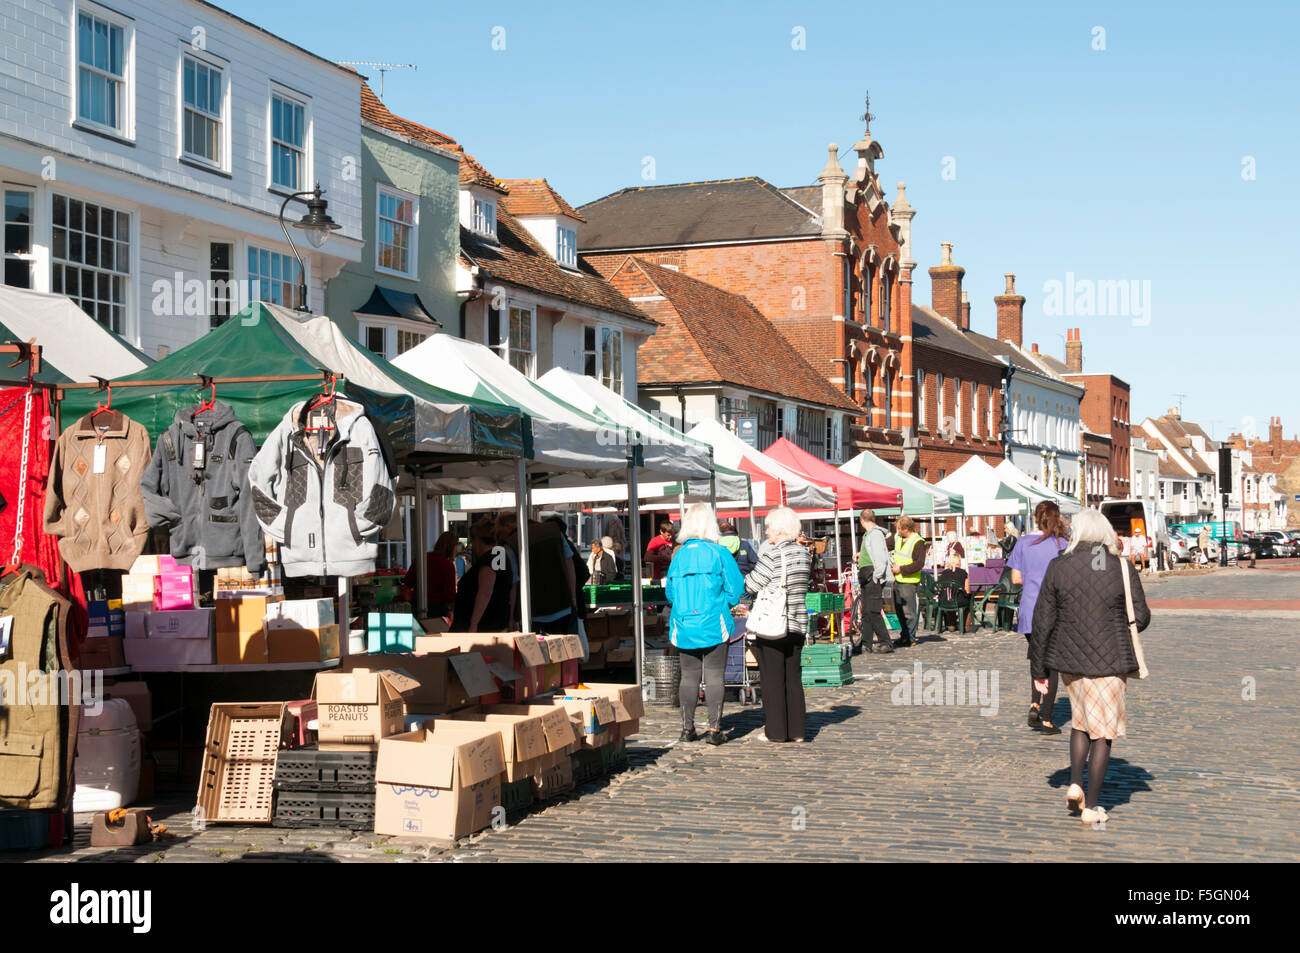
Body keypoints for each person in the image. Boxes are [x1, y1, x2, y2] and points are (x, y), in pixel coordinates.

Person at [1030, 508, 1151, 826]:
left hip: (1069, 660)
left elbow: (1043, 620)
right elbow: (1143, 616)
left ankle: (1074, 783)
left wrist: (1039, 670)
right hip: (1111, 660)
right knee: (1103, 733)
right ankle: (1092, 805)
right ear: (1107, 534)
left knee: (1081, 723)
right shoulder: (1121, 567)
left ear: (1078, 532)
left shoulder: (1059, 566)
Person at [665, 503, 745, 746]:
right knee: (714, 675)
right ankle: (714, 729)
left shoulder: (678, 555)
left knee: (688, 676)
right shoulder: (718, 552)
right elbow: (736, 587)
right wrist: (723, 604)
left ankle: (687, 728)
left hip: (685, 622)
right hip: (713, 620)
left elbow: (669, 592)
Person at [744, 506, 813, 743]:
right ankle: (797, 731)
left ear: (779, 529)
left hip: (774, 622)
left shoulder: (772, 554)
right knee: (793, 677)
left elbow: (752, 584)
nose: (766, 532)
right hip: (797, 621)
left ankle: (775, 731)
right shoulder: (804, 554)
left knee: (772, 678)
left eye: (769, 528)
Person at [1008, 501, 1070, 734]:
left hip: (1029, 609)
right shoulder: (1062, 543)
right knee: (1051, 664)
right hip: (1055, 610)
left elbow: (1015, 579)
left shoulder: (1023, 543)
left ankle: (1035, 702)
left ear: (1035, 517)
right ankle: (1046, 718)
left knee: (1037, 659)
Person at [450, 518, 513, 632]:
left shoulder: (490, 558)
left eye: (472, 542)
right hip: (494, 622)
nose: (472, 547)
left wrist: (474, 624)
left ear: (477, 540)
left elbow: (485, 592)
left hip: (484, 626)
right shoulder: (499, 555)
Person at [855, 509, 894, 653]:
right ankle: (866, 643)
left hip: (873, 575)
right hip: (867, 574)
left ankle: (886, 642)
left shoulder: (875, 534)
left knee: (873, 610)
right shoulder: (868, 534)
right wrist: (860, 555)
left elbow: (881, 558)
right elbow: (872, 553)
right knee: (866, 611)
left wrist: (877, 576)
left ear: (861, 520)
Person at [890, 517, 928, 648]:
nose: (897, 530)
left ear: (906, 529)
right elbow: (887, 545)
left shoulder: (918, 542)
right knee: (899, 610)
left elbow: (919, 563)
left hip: (909, 580)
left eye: (899, 528)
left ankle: (910, 637)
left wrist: (901, 569)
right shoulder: (898, 537)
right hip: (898, 579)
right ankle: (905, 635)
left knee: (909, 612)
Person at [403, 530, 459, 618]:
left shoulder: (422, 559)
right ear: (452, 548)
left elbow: (408, 581)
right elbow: (449, 596)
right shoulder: (447, 565)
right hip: (438, 609)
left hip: (418, 604)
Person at [935, 553, 971, 631]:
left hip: (945, 601)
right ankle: (966, 625)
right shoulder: (963, 573)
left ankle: (952, 625)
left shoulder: (943, 573)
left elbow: (939, 587)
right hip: (959, 601)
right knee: (969, 600)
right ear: (959, 562)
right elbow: (967, 590)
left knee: (949, 598)